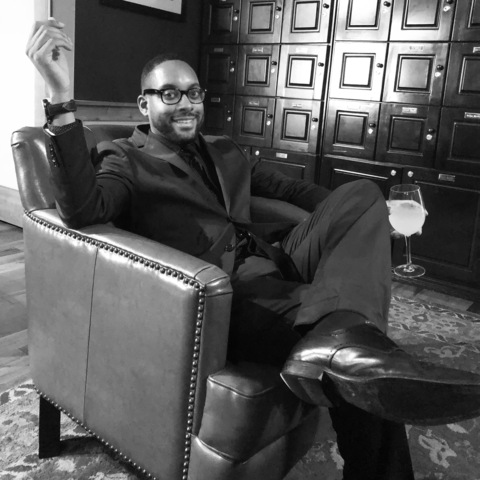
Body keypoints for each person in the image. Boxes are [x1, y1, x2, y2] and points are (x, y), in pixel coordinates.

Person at [26, 18, 480, 480]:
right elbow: (83, 210)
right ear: (145, 103)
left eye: (193, 92)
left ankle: (348, 340)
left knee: (362, 194)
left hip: (275, 258)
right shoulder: (125, 156)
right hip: (223, 292)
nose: (186, 103)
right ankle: (357, 362)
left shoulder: (225, 149)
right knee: (359, 359)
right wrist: (61, 100)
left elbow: (292, 189)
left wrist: (371, 220)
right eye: (170, 94)